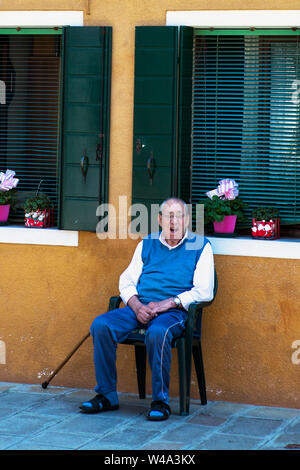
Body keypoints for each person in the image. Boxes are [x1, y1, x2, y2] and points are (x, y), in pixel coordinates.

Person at [80, 197, 214, 420]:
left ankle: (160, 401)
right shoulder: (147, 243)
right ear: (160, 219)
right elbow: (126, 281)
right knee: (101, 325)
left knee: (158, 332)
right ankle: (107, 395)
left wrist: (167, 303)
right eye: (169, 216)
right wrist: (136, 305)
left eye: (179, 216)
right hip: (140, 307)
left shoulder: (200, 246)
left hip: (174, 312)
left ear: (188, 220)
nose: (174, 221)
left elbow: (204, 291)